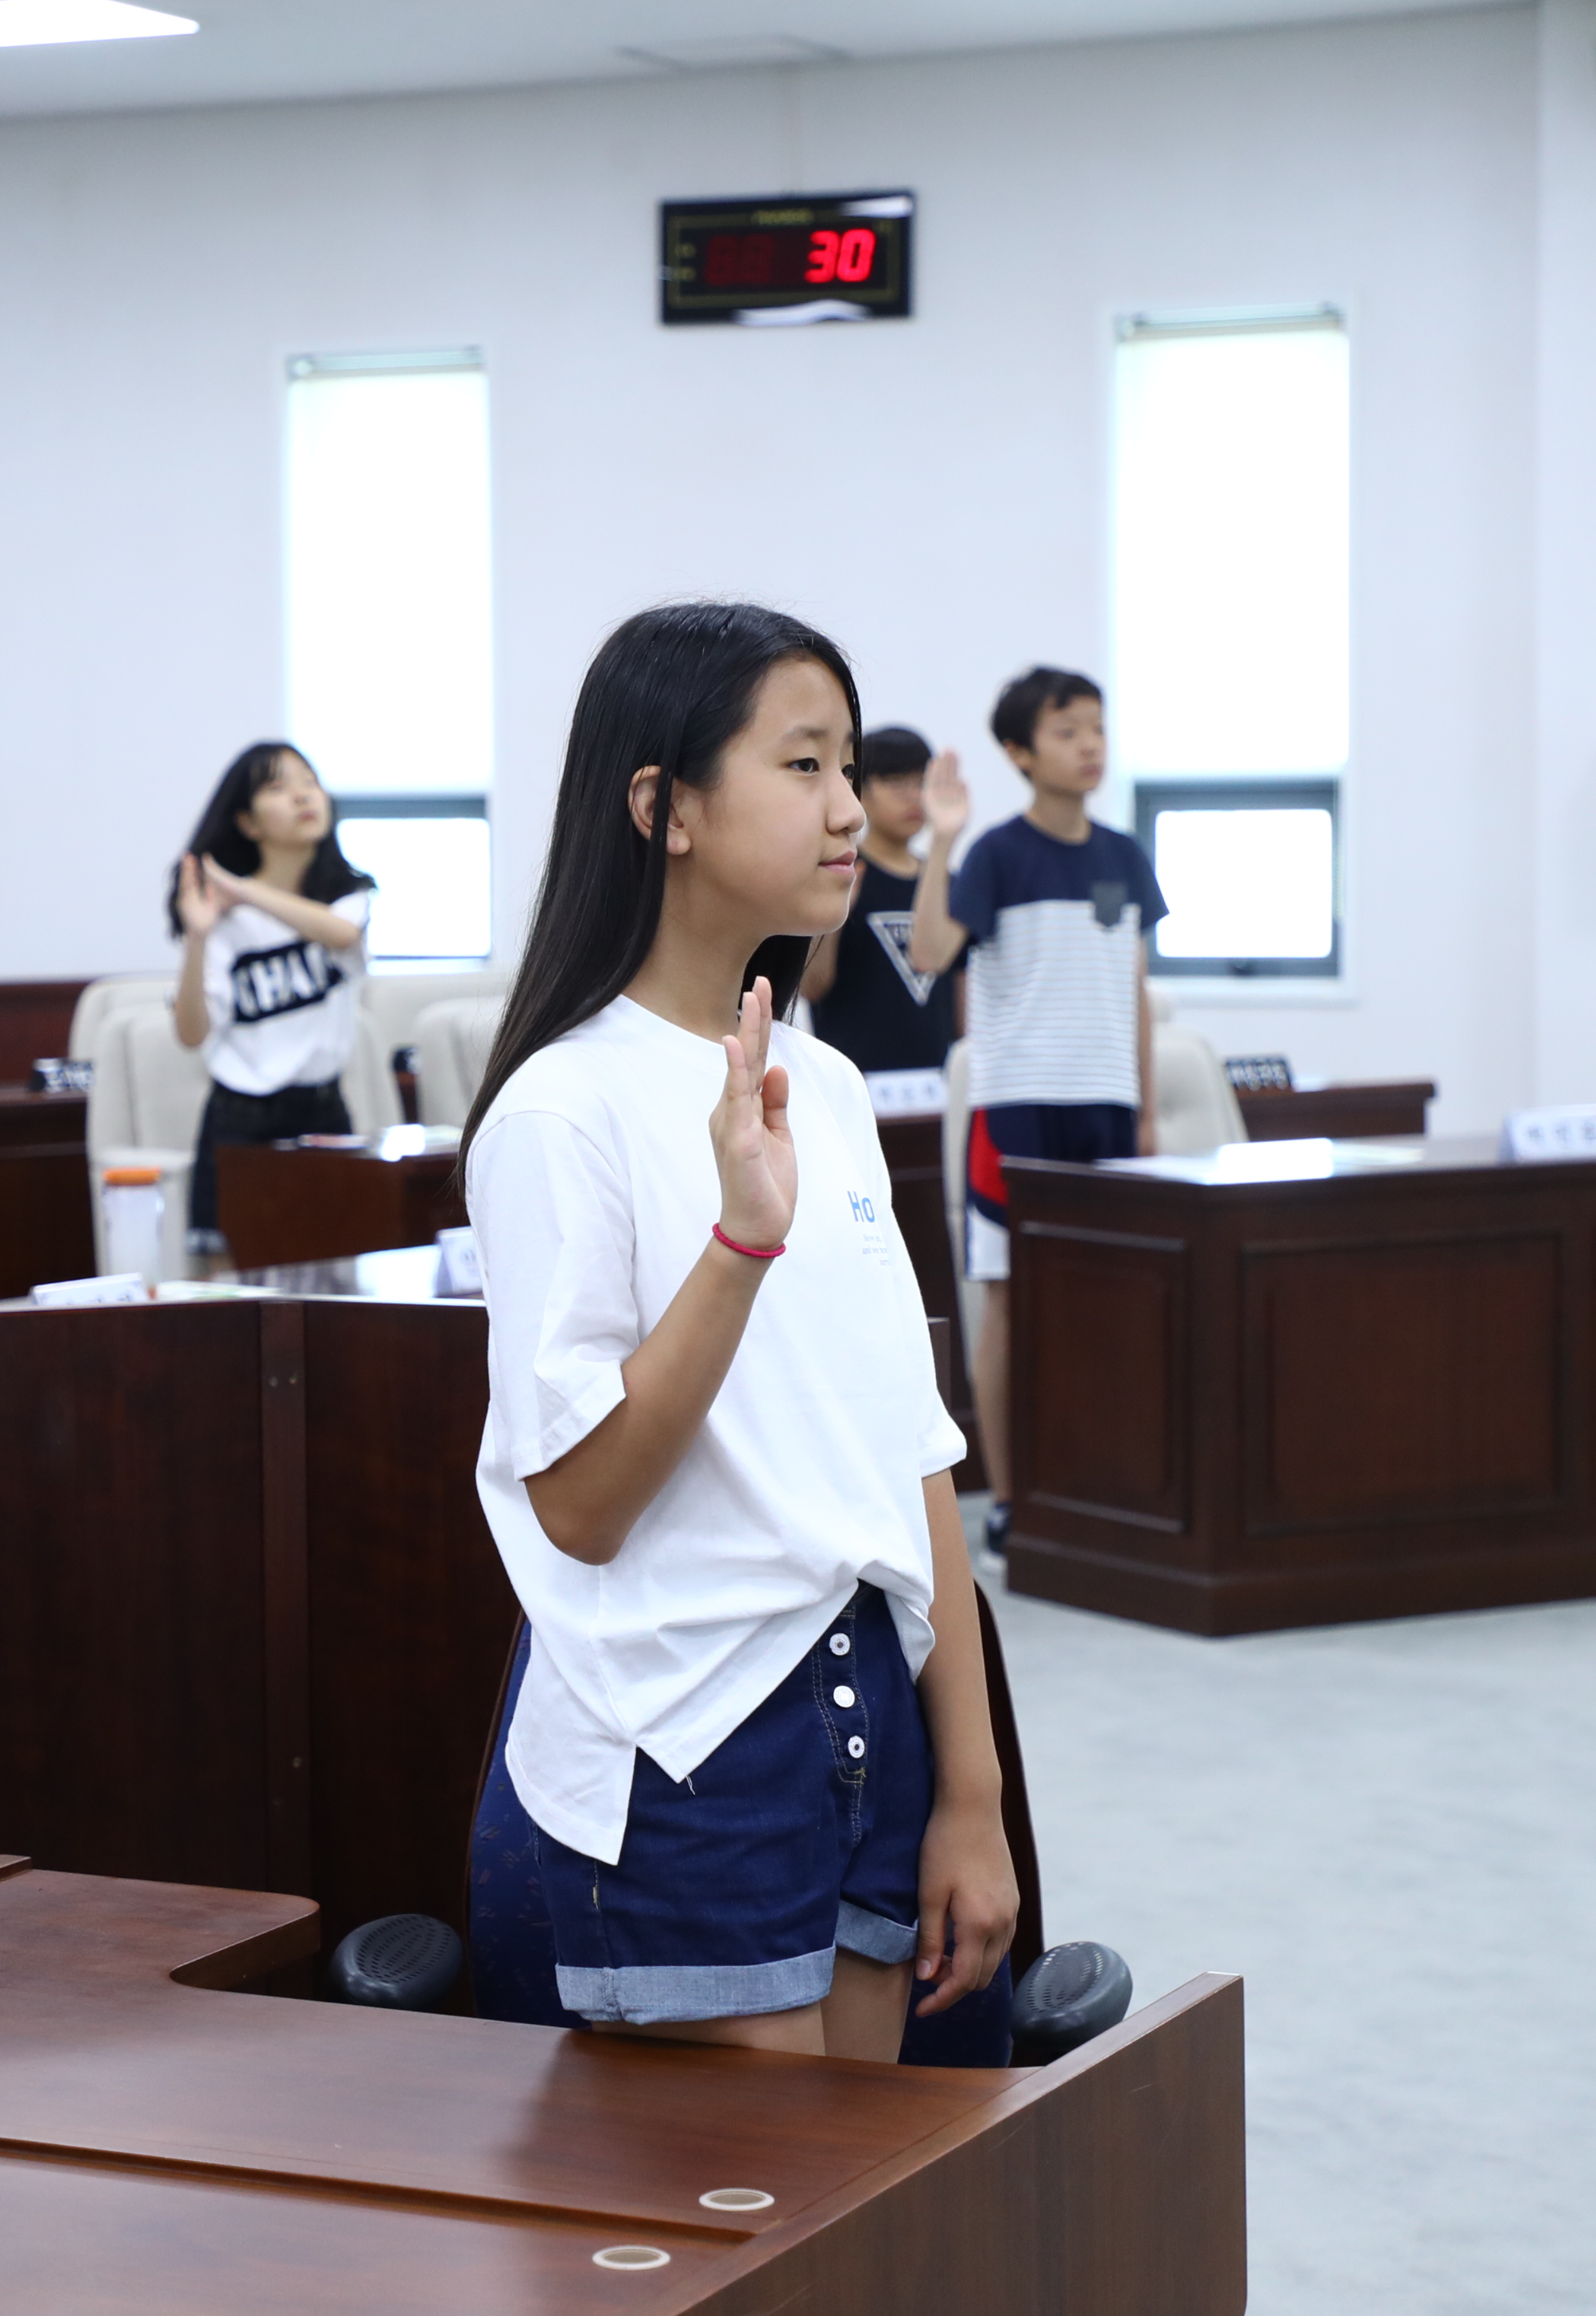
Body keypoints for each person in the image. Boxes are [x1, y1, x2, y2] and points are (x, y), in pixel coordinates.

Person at [457, 600, 1015, 2058]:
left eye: (847, 767)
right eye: (804, 765)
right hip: (680, 1746)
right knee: (753, 2244)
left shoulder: (819, 1086)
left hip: (859, 1719)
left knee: (864, 2227)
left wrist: (969, 1792)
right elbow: (577, 1503)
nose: (848, 810)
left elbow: (911, 1451)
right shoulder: (558, 1108)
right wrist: (739, 1241)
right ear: (666, 807)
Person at [903, 665, 1164, 1554]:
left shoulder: (1125, 857)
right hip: (1013, 1111)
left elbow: (1134, 987)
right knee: (1008, 1302)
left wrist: (1149, 1109)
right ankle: (1013, 1497)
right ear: (1019, 752)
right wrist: (943, 839)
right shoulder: (996, 856)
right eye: (1066, 731)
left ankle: (1104, 1485)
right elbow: (933, 951)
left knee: (1112, 1301)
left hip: (1110, 1109)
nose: (1089, 744)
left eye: (1096, 727)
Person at [166, 741, 376, 1256]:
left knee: (337, 1266)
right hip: (240, 1118)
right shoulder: (222, 922)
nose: (304, 797)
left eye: (309, 782)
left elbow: (341, 936)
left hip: (324, 1111)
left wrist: (243, 890)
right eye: (278, 788)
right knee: (232, 1280)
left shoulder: (348, 895)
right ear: (248, 821)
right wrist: (199, 936)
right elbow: (191, 1034)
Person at [796, 724, 965, 1074]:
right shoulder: (838, 873)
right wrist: (832, 922)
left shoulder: (947, 882)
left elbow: (961, 991)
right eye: (896, 783)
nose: (913, 797)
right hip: (856, 1078)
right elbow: (812, 988)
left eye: (921, 783)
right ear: (860, 791)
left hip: (937, 1083)